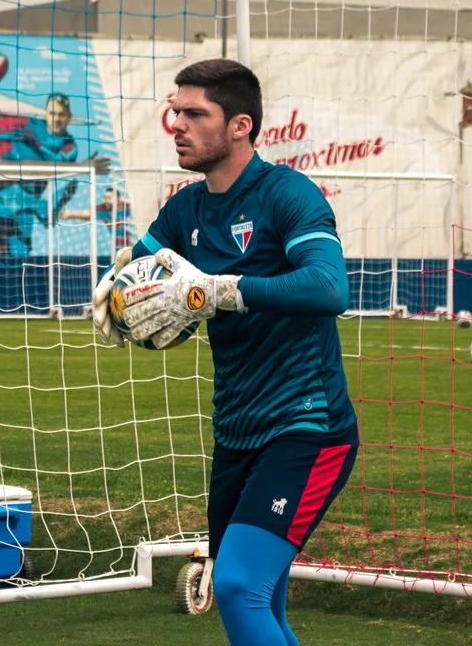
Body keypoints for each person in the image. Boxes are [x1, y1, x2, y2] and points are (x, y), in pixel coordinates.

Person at [91, 59, 358, 645]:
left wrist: (220, 289)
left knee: (238, 586)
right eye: (175, 111)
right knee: (263, 600)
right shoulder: (185, 209)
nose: (177, 124)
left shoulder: (287, 193)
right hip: (235, 431)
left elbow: (328, 287)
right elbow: (141, 275)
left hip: (307, 428)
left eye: (194, 113)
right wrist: (117, 297)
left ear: (240, 125)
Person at [0, 93, 111, 256]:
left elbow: (51, 168)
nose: (56, 119)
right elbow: (21, 159)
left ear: (69, 117)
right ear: (45, 113)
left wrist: (80, 168)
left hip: (25, 199)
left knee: (18, 249)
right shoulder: (32, 126)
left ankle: (43, 208)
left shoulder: (69, 146)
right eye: (52, 113)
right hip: (1, 187)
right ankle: (43, 208)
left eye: (61, 115)